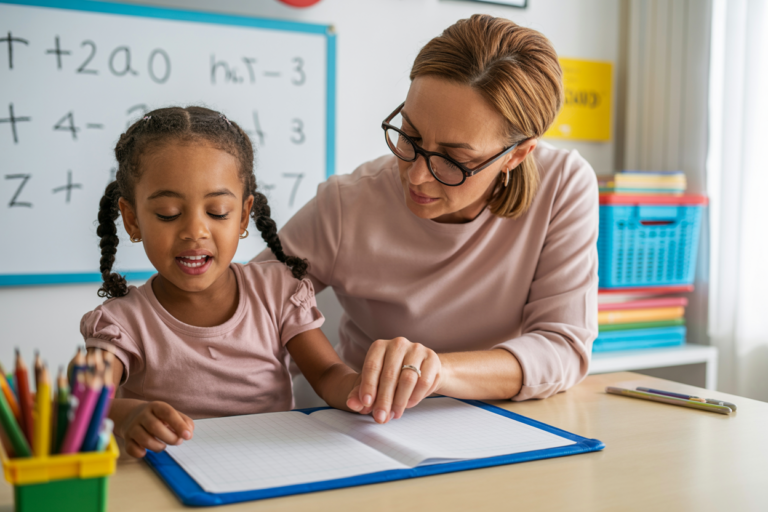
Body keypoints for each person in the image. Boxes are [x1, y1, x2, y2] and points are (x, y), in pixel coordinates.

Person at [255, 15, 599, 424]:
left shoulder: (563, 185)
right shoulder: (349, 204)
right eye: (410, 136)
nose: (416, 176)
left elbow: (563, 346)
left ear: (517, 154)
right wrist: (333, 376)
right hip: (368, 426)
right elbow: (246, 307)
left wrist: (437, 371)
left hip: (504, 426)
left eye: (454, 160)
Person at [80, 106, 364, 458]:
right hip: (168, 483)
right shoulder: (123, 322)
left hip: (271, 470)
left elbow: (326, 373)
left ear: (244, 215)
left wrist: (359, 389)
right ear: (132, 219)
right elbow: (84, 400)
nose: (195, 231)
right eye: (168, 213)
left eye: (217, 212)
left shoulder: (276, 292)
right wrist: (122, 415)